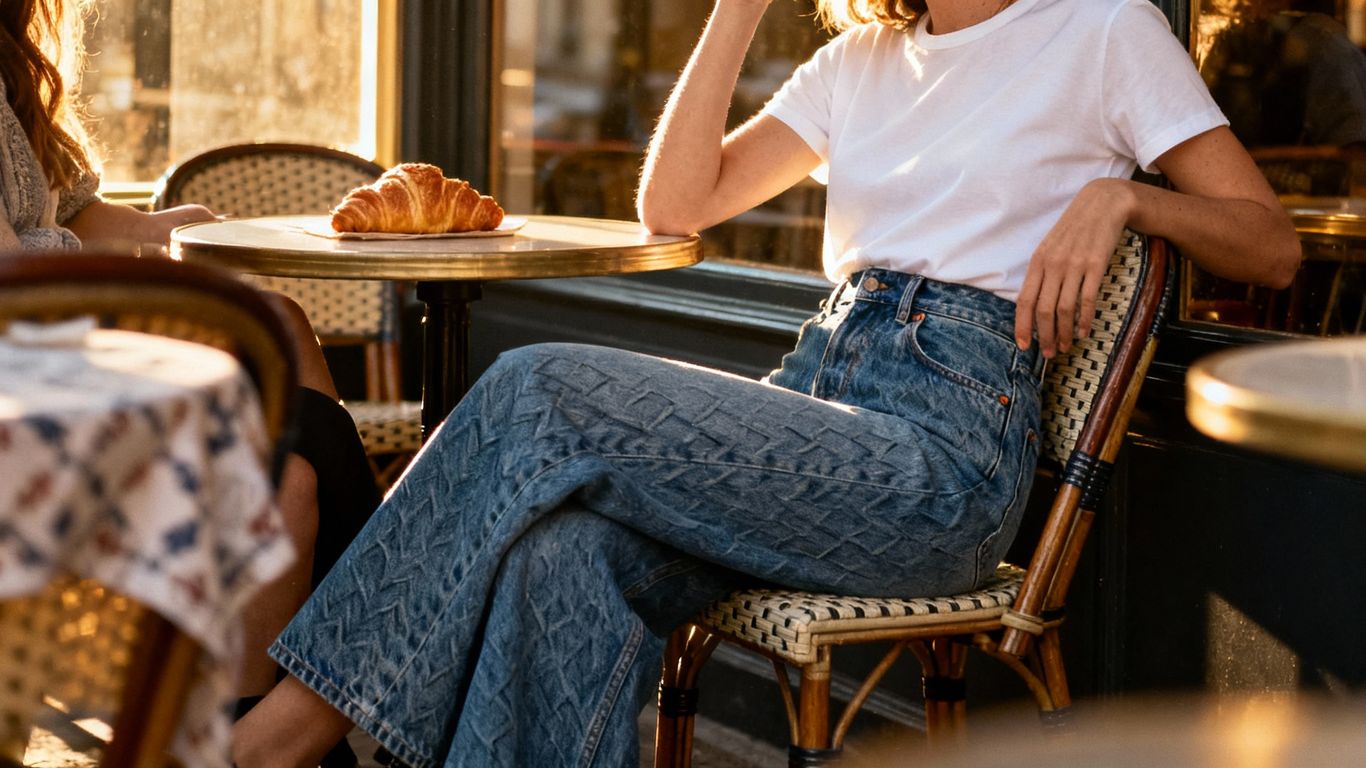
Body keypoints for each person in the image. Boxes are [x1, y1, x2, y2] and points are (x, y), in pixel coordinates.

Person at [232, 0, 1301, 766]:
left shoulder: (1103, 29)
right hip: (818, 406)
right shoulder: (863, 60)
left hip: (938, 462)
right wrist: (736, 12)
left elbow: (1269, 245)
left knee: (534, 389)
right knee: (562, 553)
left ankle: (297, 721)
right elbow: (678, 208)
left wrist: (1126, 204)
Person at [1, 1, 378, 764]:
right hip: (29, 373)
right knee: (294, 458)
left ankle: (266, 718)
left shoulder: (10, 57)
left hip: (57, 338)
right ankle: (358, 674)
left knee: (285, 353)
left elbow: (77, 213)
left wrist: (171, 228)